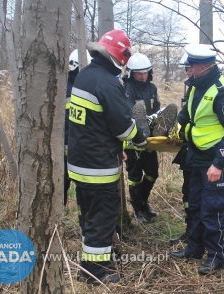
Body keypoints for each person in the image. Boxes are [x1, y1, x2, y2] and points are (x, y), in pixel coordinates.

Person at [68, 29, 147, 284]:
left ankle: (89, 264)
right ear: (121, 57)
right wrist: (139, 139)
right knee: (102, 220)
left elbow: (92, 122)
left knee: (89, 217)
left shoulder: (85, 75)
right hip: (99, 168)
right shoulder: (109, 83)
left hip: (79, 163)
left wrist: (114, 145)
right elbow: (123, 127)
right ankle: (95, 275)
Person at [170, 44, 224, 275]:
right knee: (197, 205)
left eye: (191, 66)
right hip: (197, 157)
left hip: (215, 160)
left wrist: (218, 164)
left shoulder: (222, 91)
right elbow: (187, 116)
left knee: (213, 210)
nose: (188, 70)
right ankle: (195, 248)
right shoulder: (196, 86)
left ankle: (216, 256)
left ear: (203, 66)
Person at [122, 53, 177, 224]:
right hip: (132, 140)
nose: (143, 76)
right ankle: (137, 209)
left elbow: (157, 108)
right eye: (139, 73)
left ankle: (143, 202)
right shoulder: (127, 88)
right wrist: (140, 124)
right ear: (131, 73)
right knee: (135, 176)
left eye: (146, 72)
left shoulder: (152, 88)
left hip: (150, 141)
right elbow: (127, 112)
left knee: (153, 173)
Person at [170, 53, 194, 244]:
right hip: (189, 151)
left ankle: (207, 236)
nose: (187, 72)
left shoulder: (214, 91)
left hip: (205, 154)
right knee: (187, 192)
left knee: (201, 195)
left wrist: (182, 132)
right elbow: (183, 118)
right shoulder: (191, 90)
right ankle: (190, 229)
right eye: (186, 69)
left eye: (189, 68)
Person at [64, 49, 91, 206]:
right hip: (65, 149)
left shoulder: (89, 86)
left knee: (84, 193)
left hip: (83, 150)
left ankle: (85, 227)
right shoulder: (65, 88)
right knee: (61, 188)